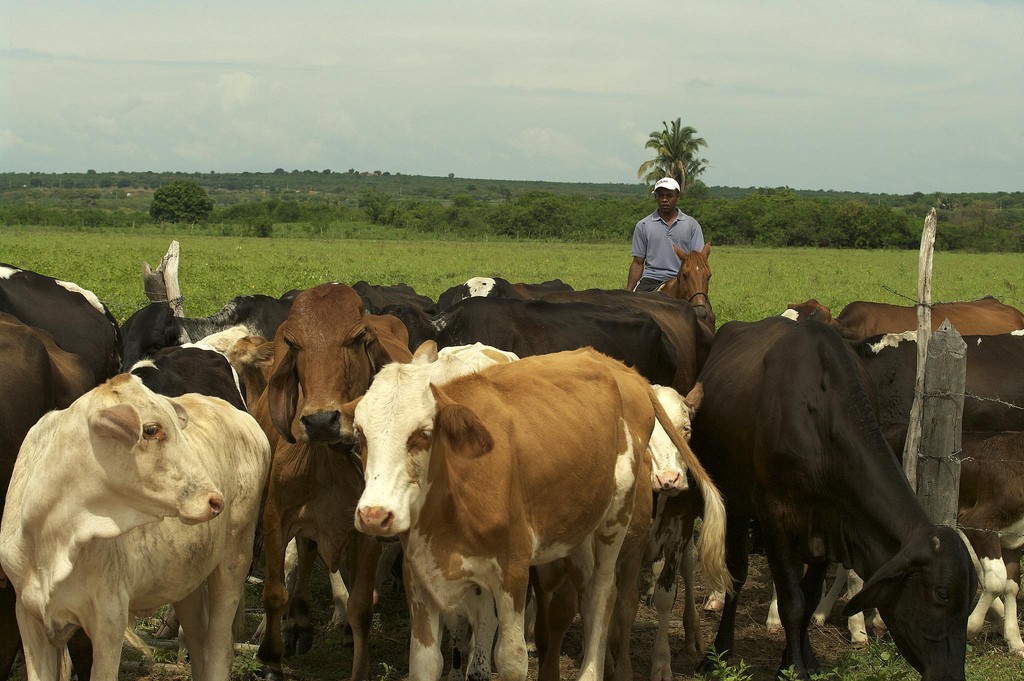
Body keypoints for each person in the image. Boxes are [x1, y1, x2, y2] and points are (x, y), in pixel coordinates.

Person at [627, 177, 705, 292]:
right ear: (656, 197)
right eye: (661, 195)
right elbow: (638, 262)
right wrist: (628, 293)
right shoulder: (643, 225)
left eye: (669, 195)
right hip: (651, 279)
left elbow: (697, 261)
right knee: (634, 307)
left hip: (682, 278)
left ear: (678, 197)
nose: (664, 199)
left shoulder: (691, 225)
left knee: (703, 309)